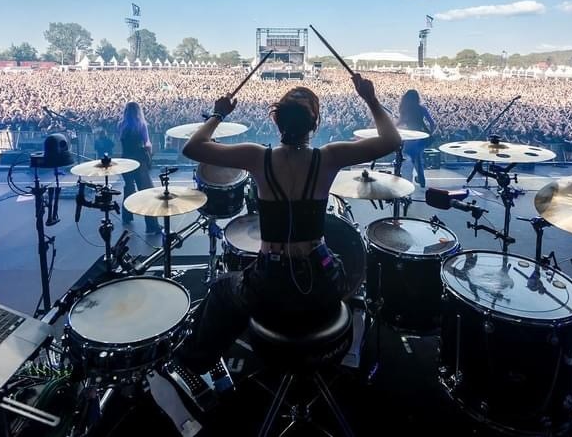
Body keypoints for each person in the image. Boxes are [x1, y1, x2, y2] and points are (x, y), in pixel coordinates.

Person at [171, 74, 400, 403]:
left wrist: (218, 113)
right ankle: (346, 349)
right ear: (314, 123)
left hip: (271, 283)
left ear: (277, 122)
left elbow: (192, 147)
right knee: (342, 264)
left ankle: (195, 363)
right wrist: (370, 98)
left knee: (223, 289)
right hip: (322, 283)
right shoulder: (329, 157)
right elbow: (392, 141)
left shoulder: (257, 157)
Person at [118, 102, 161, 234]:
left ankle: (126, 217)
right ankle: (152, 226)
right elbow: (147, 143)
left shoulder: (121, 124)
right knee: (147, 192)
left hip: (126, 160)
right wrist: (149, 151)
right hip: (139, 161)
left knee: (129, 188)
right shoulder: (141, 125)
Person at [398, 89, 436, 187]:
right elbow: (432, 123)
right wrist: (429, 134)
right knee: (418, 158)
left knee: (406, 157)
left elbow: (401, 122)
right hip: (421, 136)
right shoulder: (421, 108)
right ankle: (421, 180)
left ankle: (406, 181)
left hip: (409, 136)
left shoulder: (404, 108)